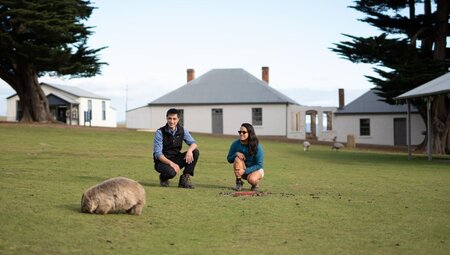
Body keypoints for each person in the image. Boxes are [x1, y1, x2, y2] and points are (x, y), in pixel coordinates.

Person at [153, 108, 200, 188]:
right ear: (166, 118)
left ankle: (184, 179)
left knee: (195, 152)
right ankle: (163, 178)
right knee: (171, 173)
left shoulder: (182, 130)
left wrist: (189, 150)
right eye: (169, 118)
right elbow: (158, 154)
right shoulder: (160, 132)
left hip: (175, 158)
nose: (171, 121)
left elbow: (193, 143)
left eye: (174, 119)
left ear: (178, 119)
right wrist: (171, 164)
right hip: (161, 162)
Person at [227, 123, 264, 192]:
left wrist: (245, 171)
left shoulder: (257, 146)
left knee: (251, 179)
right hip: (242, 169)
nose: (241, 134)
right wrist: (236, 154)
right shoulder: (235, 144)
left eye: (244, 132)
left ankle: (255, 184)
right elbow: (229, 159)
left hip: (256, 169)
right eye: (240, 132)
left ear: (250, 133)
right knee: (237, 158)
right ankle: (239, 182)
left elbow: (259, 164)